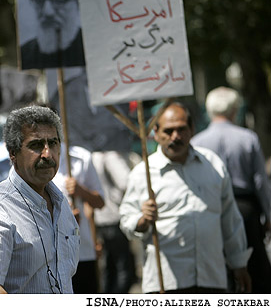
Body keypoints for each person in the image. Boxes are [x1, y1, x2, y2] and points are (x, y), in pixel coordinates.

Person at [119, 101, 252, 293]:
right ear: (156, 133)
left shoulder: (212, 164)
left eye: (181, 129)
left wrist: (239, 264)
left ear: (192, 129)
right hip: (166, 283)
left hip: (211, 278)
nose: (176, 137)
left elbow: (230, 218)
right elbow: (127, 220)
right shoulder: (143, 173)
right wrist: (143, 220)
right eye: (168, 131)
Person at [0, 105, 80, 293]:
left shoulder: (61, 203)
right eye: (36, 145)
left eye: (53, 143)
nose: (47, 154)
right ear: (13, 153)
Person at [191, 86, 271, 293]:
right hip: (246, 208)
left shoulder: (197, 142)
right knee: (255, 265)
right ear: (234, 109)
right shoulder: (247, 138)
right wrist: (269, 214)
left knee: (219, 263)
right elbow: (260, 182)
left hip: (211, 206)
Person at [52, 143, 104, 294]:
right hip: (51, 255)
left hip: (83, 251)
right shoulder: (29, 159)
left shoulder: (81, 158)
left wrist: (81, 191)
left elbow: (100, 202)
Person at [92, 150, 138, 293]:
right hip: (114, 217)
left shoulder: (91, 157)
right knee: (123, 267)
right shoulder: (110, 156)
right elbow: (125, 182)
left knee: (109, 268)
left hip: (99, 219)